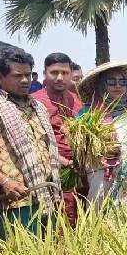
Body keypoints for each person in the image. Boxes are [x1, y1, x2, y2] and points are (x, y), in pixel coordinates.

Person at [0, 46, 62, 239]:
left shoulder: (38, 107)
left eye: (28, 74)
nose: (25, 80)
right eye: (17, 75)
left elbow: (44, 146)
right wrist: (4, 181)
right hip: (15, 201)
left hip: (47, 197)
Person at [77, 60, 127, 208]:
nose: (118, 86)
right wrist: (99, 149)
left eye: (122, 82)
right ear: (102, 86)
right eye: (112, 82)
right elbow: (78, 148)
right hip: (103, 178)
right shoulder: (88, 113)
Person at [31, 53, 84, 227]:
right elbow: (35, 142)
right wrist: (63, 161)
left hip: (80, 172)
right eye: (54, 72)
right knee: (60, 220)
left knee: (81, 216)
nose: (59, 78)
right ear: (45, 73)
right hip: (52, 172)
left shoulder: (75, 100)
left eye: (64, 73)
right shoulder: (35, 102)